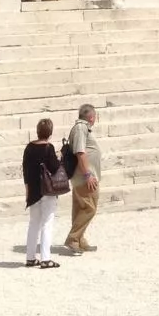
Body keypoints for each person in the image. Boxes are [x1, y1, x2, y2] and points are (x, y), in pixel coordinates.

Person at [22, 117, 62, 268]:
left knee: (33, 224)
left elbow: (25, 170)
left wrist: (27, 190)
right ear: (50, 133)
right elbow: (55, 168)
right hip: (47, 190)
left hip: (33, 190)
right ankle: (45, 258)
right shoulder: (48, 148)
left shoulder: (29, 148)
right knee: (47, 223)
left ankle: (30, 257)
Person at [65, 103, 100, 256]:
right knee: (89, 208)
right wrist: (87, 174)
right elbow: (80, 152)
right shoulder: (81, 128)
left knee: (81, 208)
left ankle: (79, 239)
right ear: (92, 117)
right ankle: (73, 238)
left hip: (85, 176)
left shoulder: (83, 127)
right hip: (84, 177)